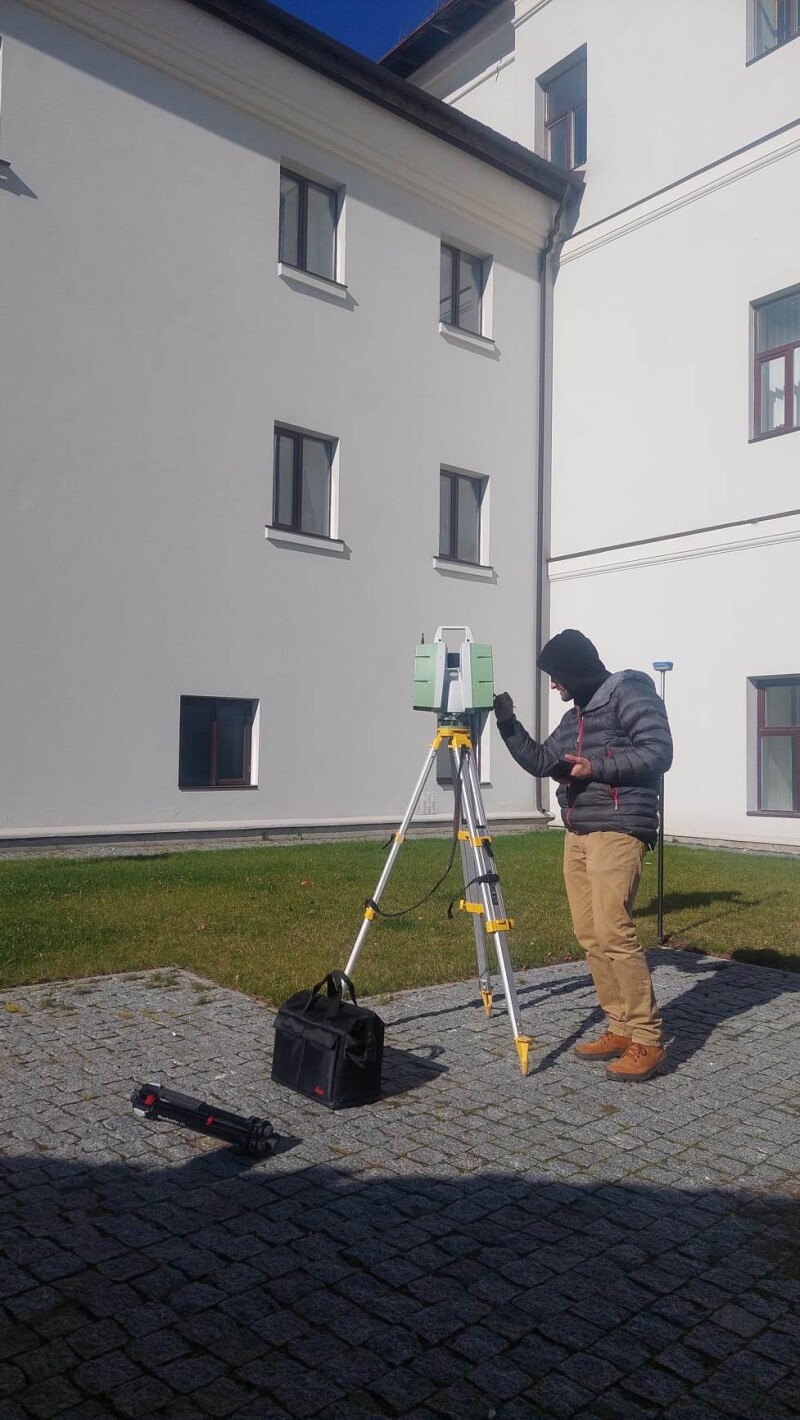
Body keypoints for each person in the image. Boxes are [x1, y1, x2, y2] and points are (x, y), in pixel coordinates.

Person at [493, 629, 673, 1082]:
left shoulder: (628, 692)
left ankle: (648, 1038)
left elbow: (658, 753)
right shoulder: (575, 716)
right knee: (589, 933)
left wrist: (597, 767)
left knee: (614, 931)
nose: (553, 684)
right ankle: (620, 1025)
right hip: (578, 830)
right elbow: (541, 761)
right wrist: (508, 724)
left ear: (574, 670)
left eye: (556, 675)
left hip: (619, 826)